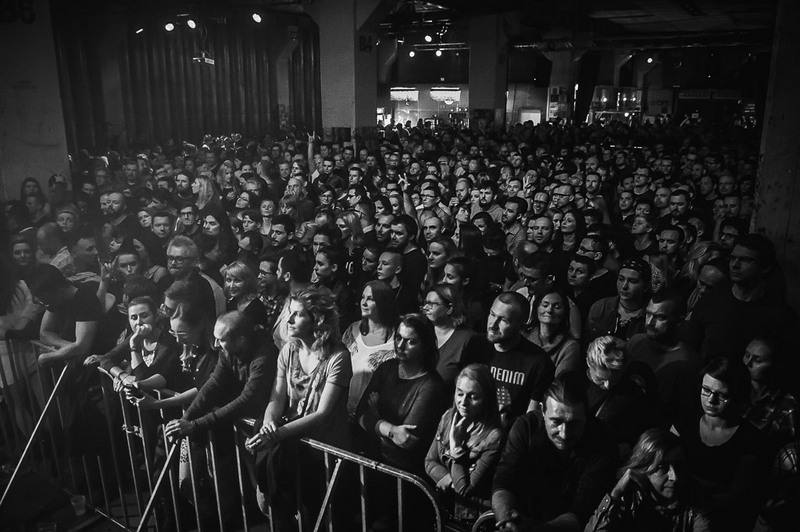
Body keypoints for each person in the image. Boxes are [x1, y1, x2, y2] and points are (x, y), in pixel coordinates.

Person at [246, 287, 351, 528]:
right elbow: (276, 397)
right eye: (289, 313)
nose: (290, 319)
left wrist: (275, 435)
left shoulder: (337, 358)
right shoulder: (289, 349)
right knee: (274, 511)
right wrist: (270, 424)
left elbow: (322, 414)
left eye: (298, 314)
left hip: (321, 449)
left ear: (318, 319)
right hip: (291, 444)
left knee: (312, 518)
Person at [491, 375, 617, 532]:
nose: (564, 434)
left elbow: (581, 512)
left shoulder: (602, 442)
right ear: (543, 411)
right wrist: (507, 520)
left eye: (574, 423)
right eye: (556, 422)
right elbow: (503, 480)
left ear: (586, 417)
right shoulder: (526, 427)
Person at [672, 357, 768, 531]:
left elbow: (734, 497)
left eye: (722, 395)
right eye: (706, 390)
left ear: (738, 395)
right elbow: (662, 461)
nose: (711, 400)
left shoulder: (750, 439)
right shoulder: (684, 421)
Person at [585, 428, 711, 532]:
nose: (674, 476)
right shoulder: (628, 499)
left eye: (679, 466)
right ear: (644, 467)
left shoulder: (694, 499)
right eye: (662, 467)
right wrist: (616, 494)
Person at [425, 364, 505, 522]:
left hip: (473, 517)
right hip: (446, 509)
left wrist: (457, 447)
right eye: (460, 393)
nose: (463, 402)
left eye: (473, 396)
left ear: (486, 398)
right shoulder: (448, 417)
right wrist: (449, 479)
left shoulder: (494, 436)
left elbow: (465, 490)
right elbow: (429, 462)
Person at [463, 292, 555, 428]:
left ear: (521, 324)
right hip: (468, 426)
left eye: (503, 320)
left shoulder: (538, 361)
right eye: (492, 314)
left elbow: (530, 420)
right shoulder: (475, 345)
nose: (493, 325)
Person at [342, 280, 399, 416]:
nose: (364, 303)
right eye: (363, 297)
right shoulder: (353, 330)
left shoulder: (396, 342)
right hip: (341, 409)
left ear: (383, 303)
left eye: (371, 299)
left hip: (369, 415)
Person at [741, 335, 797, 447]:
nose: (748, 363)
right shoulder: (731, 389)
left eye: (758, 360)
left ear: (774, 365)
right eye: (747, 355)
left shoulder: (787, 404)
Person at [422, 284, 476, 392]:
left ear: (449, 308)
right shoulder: (423, 332)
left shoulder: (467, 339)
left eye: (432, 304)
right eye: (425, 303)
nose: (425, 308)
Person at [524, 281, 582, 378]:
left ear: (565, 311)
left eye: (557, 307)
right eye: (545, 305)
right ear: (536, 308)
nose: (550, 310)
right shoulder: (524, 338)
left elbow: (559, 384)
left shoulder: (570, 347)